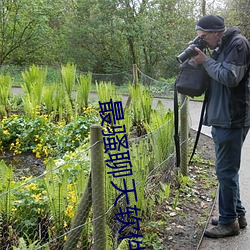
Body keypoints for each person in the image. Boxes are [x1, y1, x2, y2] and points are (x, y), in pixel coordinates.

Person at [192, 15, 250, 238]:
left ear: (216, 32)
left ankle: (228, 223)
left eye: (204, 37)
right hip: (222, 117)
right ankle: (237, 214)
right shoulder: (221, 46)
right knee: (227, 171)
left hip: (232, 118)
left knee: (225, 171)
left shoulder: (238, 44)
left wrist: (205, 61)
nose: (203, 41)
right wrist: (202, 60)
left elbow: (229, 77)